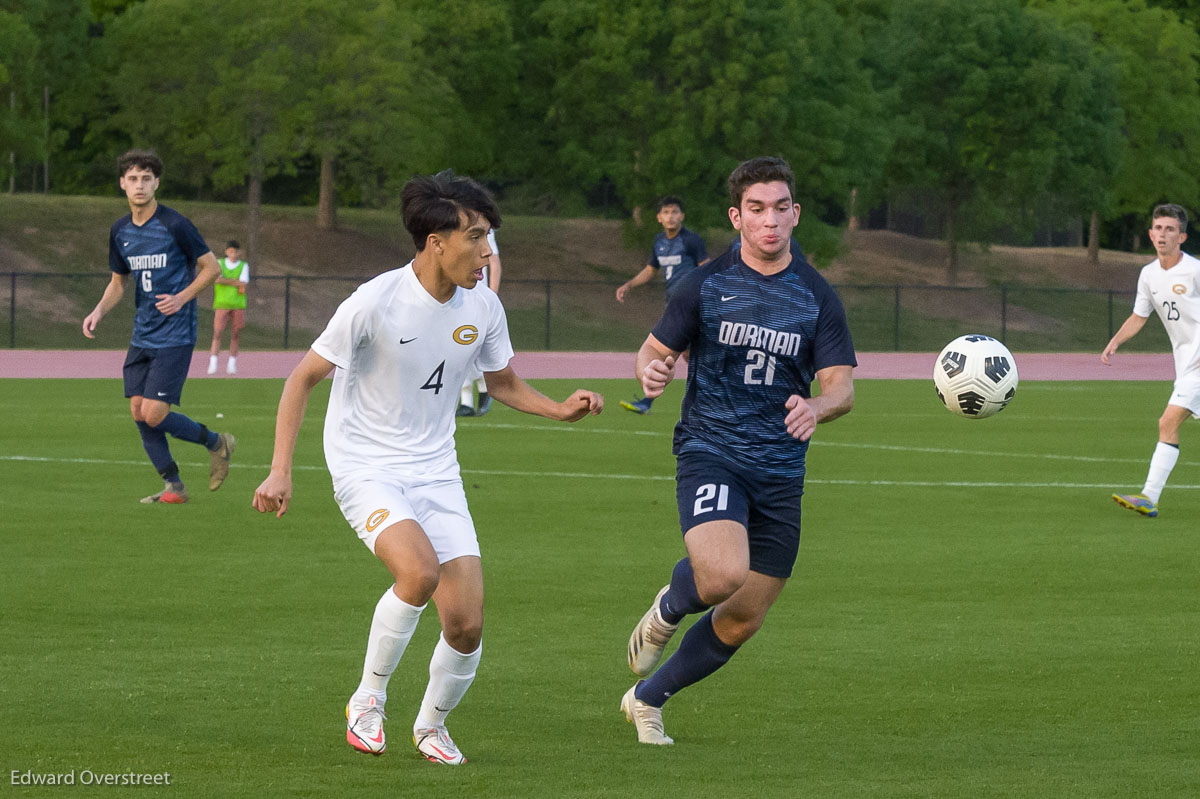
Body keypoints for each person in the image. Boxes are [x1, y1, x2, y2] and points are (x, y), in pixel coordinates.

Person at [251, 170, 603, 765]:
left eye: (488, 237)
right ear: (436, 240)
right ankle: (368, 697)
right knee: (418, 574)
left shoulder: (483, 307)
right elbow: (301, 378)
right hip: (366, 464)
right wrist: (280, 468)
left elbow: (505, 383)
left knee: (466, 626)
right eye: (477, 237)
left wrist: (558, 410)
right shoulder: (375, 301)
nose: (487, 253)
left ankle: (432, 726)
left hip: (437, 470)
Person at [619, 156, 856, 745]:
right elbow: (651, 352)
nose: (770, 221)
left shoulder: (817, 298)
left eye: (780, 208)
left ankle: (647, 700)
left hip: (780, 470)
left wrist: (817, 407)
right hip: (711, 449)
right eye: (757, 210)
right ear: (736, 216)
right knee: (722, 573)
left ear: (795, 214)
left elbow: (841, 387)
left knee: (744, 616)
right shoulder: (704, 283)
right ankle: (671, 606)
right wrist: (652, 374)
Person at [82, 149, 235, 505]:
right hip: (143, 333)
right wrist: (98, 311)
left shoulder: (175, 224)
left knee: (154, 413)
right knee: (138, 412)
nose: (139, 185)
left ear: (157, 183)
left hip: (176, 333)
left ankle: (217, 442)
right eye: (133, 179)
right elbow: (119, 281)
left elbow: (212, 269)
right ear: (122, 183)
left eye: (146, 179)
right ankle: (174, 486)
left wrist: (182, 297)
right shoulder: (120, 231)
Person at [1103, 203, 1200, 517]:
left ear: (1182, 236)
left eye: (1170, 229)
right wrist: (1116, 341)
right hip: (1186, 362)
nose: (1163, 234)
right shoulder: (1148, 275)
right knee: (1168, 424)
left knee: (1167, 422)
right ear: (1150, 233)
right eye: (1158, 228)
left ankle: (1148, 496)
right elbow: (1139, 315)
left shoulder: (1195, 271)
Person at [615, 196, 709, 414]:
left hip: (694, 304)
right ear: (659, 218)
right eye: (666, 212)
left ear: (682, 216)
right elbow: (650, 270)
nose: (671, 216)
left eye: (675, 212)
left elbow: (707, 268)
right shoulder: (659, 242)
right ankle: (705, 397)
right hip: (674, 305)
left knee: (671, 351)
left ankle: (650, 401)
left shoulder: (691, 240)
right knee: (686, 354)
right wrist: (629, 284)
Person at [457, 228, 502, 416]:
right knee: (458, 349)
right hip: (455, 299)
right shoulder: (450, 229)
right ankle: (467, 401)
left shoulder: (484, 232)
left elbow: (495, 264)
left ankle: (480, 390)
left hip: (475, 300)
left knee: (468, 349)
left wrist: (491, 297)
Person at [207, 240, 250, 375]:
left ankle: (232, 364)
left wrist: (226, 280)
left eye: (235, 251)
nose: (233, 254)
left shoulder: (243, 265)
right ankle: (213, 363)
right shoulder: (219, 264)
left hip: (238, 304)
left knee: (235, 334)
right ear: (226, 252)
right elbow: (216, 279)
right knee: (217, 333)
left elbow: (243, 283)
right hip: (222, 303)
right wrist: (234, 282)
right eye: (231, 251)